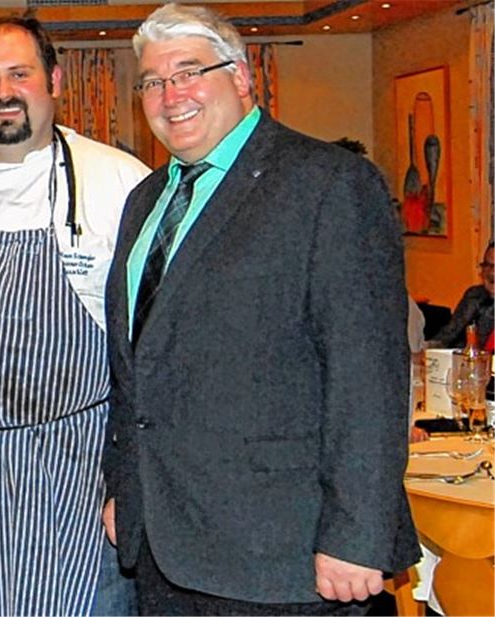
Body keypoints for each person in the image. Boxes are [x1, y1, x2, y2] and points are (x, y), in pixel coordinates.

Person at [101, 4, 419, 614]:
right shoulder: (146, 200)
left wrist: (357, 535)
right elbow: (135, 367)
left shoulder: (328, 184)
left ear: (242, 77)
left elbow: (368, 373)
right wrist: (127, 486)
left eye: (189, 72)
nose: (171, 95)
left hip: (286, 556)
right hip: (165, 549)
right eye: (153, 82)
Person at [0, 15, 150, 616]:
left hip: (75, 479)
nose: (4, 92)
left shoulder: (120, 183)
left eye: (20, 74)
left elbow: (157, 349)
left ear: (55, 81)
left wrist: (132, 482)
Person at [428, 242, 494, 348]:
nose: (492, 272)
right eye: (487, 265)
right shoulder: (474, 295)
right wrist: (428, 351)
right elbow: (449, 333)